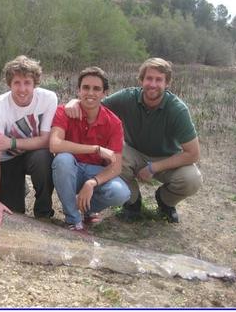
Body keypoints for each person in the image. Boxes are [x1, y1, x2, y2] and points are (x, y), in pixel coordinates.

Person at [65, 58, 202, 223]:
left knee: (192, 179)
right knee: (114, 156)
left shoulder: (177, 110)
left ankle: (165, 202)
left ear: (167, 83)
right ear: (141, 80)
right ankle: (132, 203)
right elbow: (95, 104)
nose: (153, 84)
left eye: (159, 80)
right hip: (133, 152)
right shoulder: (127, 97)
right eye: (149, 78)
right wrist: (74, 102)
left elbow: (193, 154)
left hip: (166, 158)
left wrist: (154, 167)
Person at [50, 67, 130, 233]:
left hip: (94, 172)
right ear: (78, 91)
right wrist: (95, 149)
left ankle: (87, 209)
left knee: (121, 193)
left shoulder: (114, 123)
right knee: (62, 160)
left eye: (96, 89)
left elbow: (116, 166)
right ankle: (73, 220)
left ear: (104, 93)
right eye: (86, 87)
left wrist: (92, 182)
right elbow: (55, 145)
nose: (90, 93)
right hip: (70, 169)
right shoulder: (64, 111)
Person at [0, 55, 57, 227]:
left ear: (35, 83)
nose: (22, 89)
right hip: (8, 159)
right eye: (17, 83)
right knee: (13, 214)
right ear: (9, 84)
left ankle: (43, 212)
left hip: (34, 154)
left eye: (27, 82)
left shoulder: (48, 99)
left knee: (44, 157)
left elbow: (46, 141)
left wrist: (12, 143)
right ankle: (14, 192)